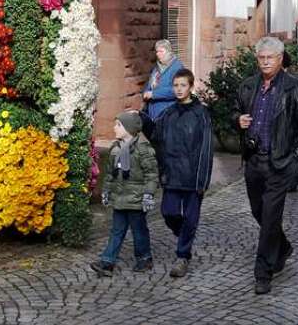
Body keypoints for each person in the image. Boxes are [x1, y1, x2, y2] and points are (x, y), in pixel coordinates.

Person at [232, 35, 298, 295]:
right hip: (254, 161)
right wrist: (239, 120)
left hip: (279, 163)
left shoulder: (294, 88)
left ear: (280, 59)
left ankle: (263, 271)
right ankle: (283, 247)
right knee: (259, 212)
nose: (265, 62)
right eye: (262, 58)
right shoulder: (247, 86)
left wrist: (293, 159)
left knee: (270, 217)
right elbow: (235, 111)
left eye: (271, 58)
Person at [141, 67, 213, 278]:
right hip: (172, 173)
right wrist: (143, 119)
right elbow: (156, 136)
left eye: (183, 85)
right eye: (176, 85)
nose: (179, 89)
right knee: (169, 212)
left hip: (192, 176)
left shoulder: (201, 114)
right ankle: (184, 236)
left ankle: (183, 255)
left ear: (191, 87)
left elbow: (207, 147)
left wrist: (202, 179)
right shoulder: (169, 113)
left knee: (190, 218)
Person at [91, 111, 158, 275]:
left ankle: (144, 258)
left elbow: (151, 174)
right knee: (116, 230)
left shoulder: (143, 149)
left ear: (129, 128)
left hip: (136, 199)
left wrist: (148, 194)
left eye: (118, 125)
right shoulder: (115, 149)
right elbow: (109, 174)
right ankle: (107, 262)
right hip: (120, 197)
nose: (114, 127)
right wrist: (106, 191)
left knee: (139, 230)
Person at [142, 39, 184, 120]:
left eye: (161, 51)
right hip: (153, 113)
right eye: (157, 51)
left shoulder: (177, 67)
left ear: (168, 51)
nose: (158, 54)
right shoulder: (158, 68)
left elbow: (178, 90)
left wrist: (154, 94)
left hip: (168, 113)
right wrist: (146, 93)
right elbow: (150, 85)